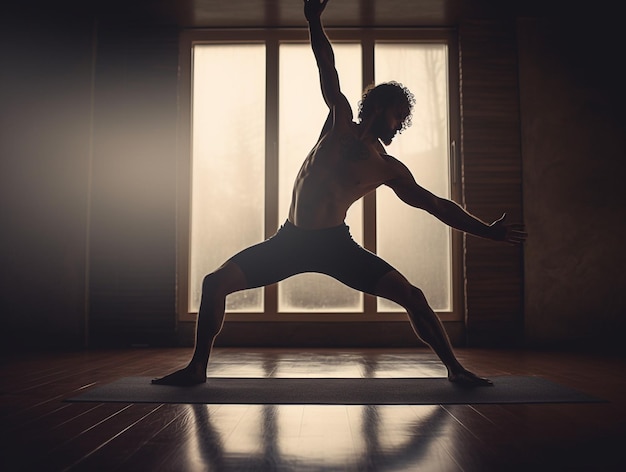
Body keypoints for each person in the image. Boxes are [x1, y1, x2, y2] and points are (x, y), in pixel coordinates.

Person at [153, 0, 526, 387]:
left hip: (336, 246)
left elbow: (436, 205)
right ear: (378, 108)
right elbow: (326, 65)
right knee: (215, 283)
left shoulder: (388, 167)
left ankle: (456, 369)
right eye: (398, 115)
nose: (400, 125)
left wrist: (489, 231)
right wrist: (314, 19)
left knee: (412, 296)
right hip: (289, 241)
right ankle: (197, 368)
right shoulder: (340, 122)